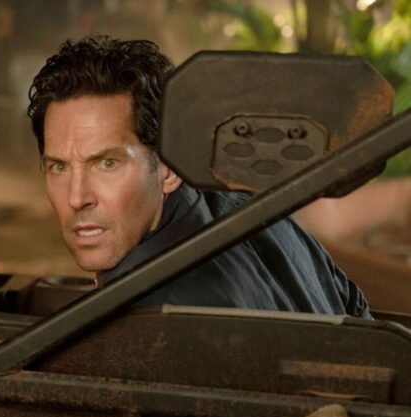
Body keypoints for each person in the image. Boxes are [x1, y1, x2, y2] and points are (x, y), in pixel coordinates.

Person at [27, 36, 370, 317]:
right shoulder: (263, 217)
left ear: (169, 168)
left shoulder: (149, 320)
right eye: (59, 167)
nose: (77, 197)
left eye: (107, 164)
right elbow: (357, 314)